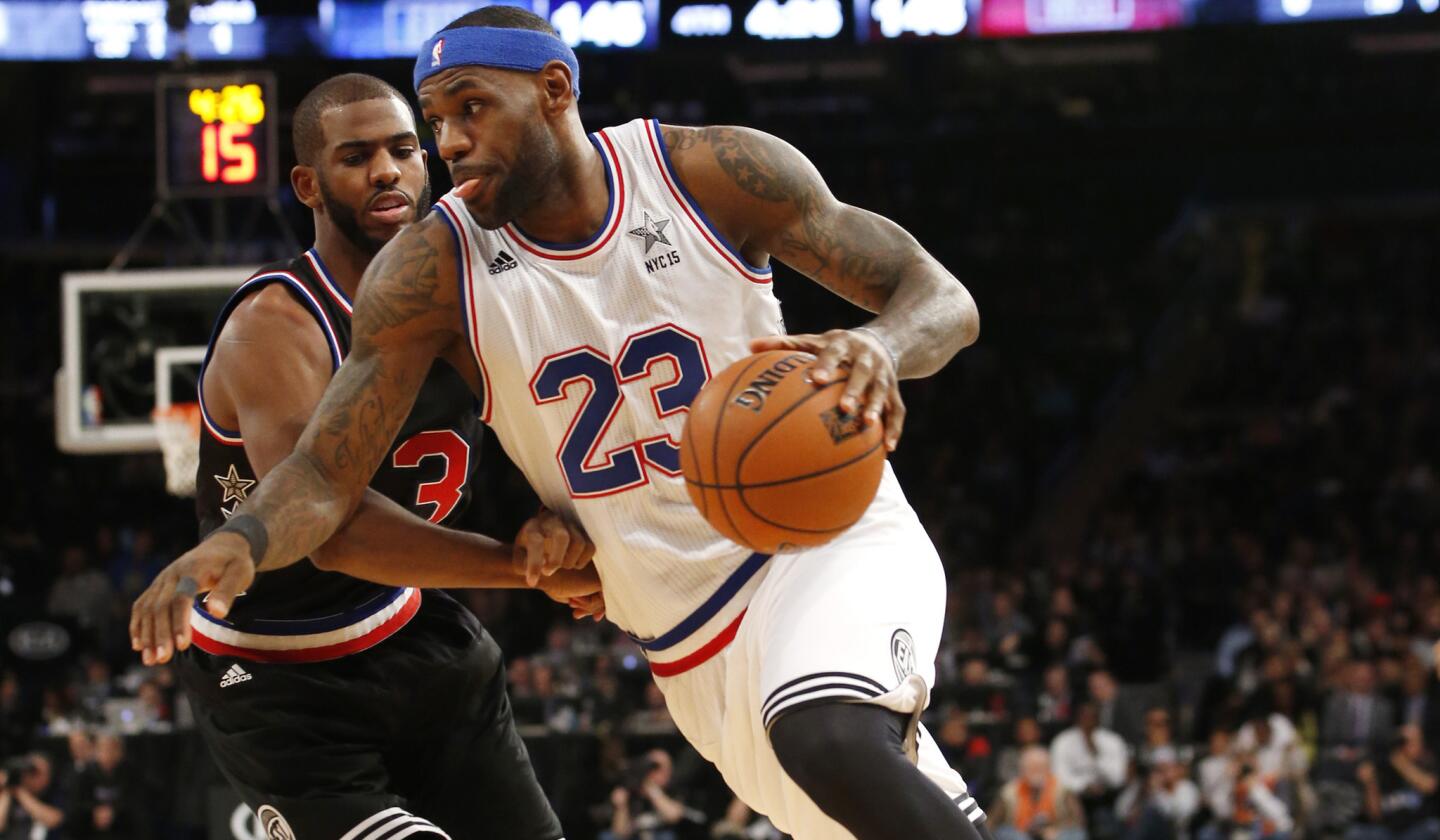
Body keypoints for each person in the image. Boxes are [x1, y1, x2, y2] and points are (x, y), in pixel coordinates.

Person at [130, 8, 984, 839]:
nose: (450, 142)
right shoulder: (428, 271)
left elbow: (940, 298)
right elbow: (323, 477)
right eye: (437, 120)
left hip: (822, 537)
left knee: (826, 735)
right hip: (680, 635)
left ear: (553, 88)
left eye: (472, 107)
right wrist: (240, 538)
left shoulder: (709, 172)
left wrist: (880, 345)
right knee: (876, 799)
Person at [133, 73, 603, 840]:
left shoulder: (466, 294)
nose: (387, 170)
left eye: (402, 149)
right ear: (309, 184)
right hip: (277, 681)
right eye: (356, 157)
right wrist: (522, 569)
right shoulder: (277, 327)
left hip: (414, 633)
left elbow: (537, 424)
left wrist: (548, 522)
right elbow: (336, 529)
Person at [601, 749, 706, 840]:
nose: (661, 773)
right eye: (653, 767)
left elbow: (673, 815)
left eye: (663, 768)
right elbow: (620, 832)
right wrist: (621, 807)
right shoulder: (631, 791)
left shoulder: (673, 789)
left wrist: (652, 791)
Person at [989, 746, 1087, 840]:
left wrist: (1056, 830)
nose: (1036, 772)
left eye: (1041, 767)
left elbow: (1078, 820)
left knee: (1075, 834)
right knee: (1004, 832)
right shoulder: (1009, 793)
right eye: (1031, 768)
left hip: (1055, 835)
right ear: (1022, 770)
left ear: (1049, 769)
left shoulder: (1063, 790)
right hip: (1020, 834)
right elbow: (991, 822)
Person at [68, 733, 150, 839]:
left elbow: (136, 803)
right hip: (91, 827)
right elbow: (77, 804)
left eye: (112, 749)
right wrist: (95, 811)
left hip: (122, 827)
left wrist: (114, 812)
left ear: (120, 752)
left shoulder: (130, 774)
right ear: (95, 750)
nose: (108, 754)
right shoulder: (85, 775)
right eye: (103, 749)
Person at [0, 753, 65, 840]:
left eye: (36, 773)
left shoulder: (54, 793)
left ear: (49, 776)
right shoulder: (8, 792)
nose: (30, 777)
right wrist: (7, 789)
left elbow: (53, 820)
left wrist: (20, 793)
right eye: (28, 772)